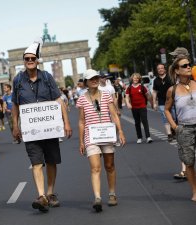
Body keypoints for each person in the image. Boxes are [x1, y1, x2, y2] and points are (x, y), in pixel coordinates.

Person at [12, 38, 72, 212]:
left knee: (51, 161)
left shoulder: (46, 77)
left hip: (50, 127)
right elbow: (15, 104)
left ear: (38, 60)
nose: (30, 61)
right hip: (31, 130)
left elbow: (58, 100)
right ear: (23, 61)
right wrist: (15, 126)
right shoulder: (17, 81)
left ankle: (51, 192)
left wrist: (66, 122)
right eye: (27, 59)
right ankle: (41, 195)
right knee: (36, 162)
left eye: (32, 59)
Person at [76, 69, 125, 212]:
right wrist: (81, 141)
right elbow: (81, 121)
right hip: (91, 137)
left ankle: (112, 194)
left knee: (109, 166)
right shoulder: (81, 99)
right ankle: (97, 198)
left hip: (107, 135)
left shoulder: (106, 95)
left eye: (96, 77)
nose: (95, 80)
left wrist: (120, 131)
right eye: (91, 78)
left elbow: (114, 115)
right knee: (95, 167)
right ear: (85, 82)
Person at [165, 55, 196, 201]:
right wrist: (175, 127)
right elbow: (167, 109)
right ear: (177, 71)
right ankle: (195, 191)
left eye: (189, 64)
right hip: (185, 129)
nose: (188, 67)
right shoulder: (173, 90)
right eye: (184, 66)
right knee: (189, 162)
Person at [125, 73, 153, 143]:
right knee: (137, 122)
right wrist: (128, 103)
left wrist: (152, 103)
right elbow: (127, 97)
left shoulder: (142, 87)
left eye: (137, 78)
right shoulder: (129, 88)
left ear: (139, 79)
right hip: (134, 107)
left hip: (142, 106)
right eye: (134, 78)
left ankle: (148, 137)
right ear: (132, 79)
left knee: (145, 121)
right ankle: (139, 137)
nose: (136, 79)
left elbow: (148, 96)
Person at [152, 63, 174, 142]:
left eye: (162, 68)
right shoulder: (156, 80)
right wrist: (154, 103)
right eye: (159, 68)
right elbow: (154, 92)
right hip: (162, 102)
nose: (160, 69)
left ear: (165, 69)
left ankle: (173, 129)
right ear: (157, 70)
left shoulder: (170, 78)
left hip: (172, 100)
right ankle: (169, 134)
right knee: (165, 117)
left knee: (174, 117)